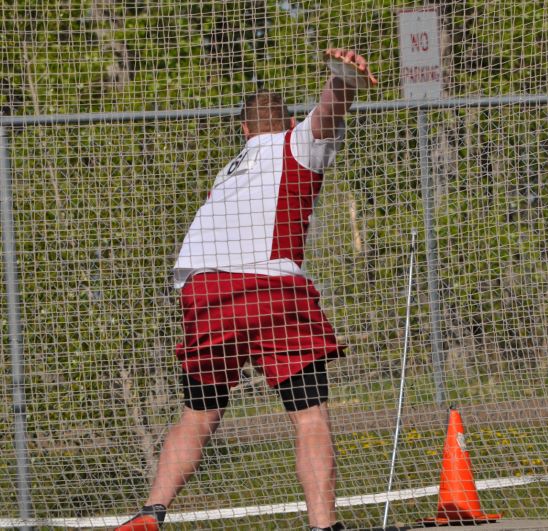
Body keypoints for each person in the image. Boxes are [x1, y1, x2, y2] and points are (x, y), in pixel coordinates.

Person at [116, 48, 377, 531]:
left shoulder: (227, 173)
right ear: (288, 121)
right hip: (267, 287)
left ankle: (150, 512)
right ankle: (324, 526)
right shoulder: (294, 144)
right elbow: (327, 115)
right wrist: (342, 77)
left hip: (203, 293)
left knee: (197, 414)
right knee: (309, 415)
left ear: (242, 130)